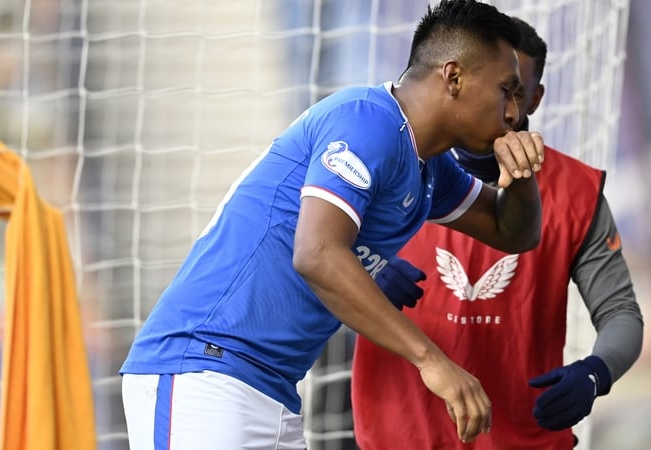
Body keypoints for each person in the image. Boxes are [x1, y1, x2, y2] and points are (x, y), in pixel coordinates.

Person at [119, 1, 547, 448]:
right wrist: (431, 360)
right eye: (506, 90)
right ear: (454, 77)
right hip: (203, 370)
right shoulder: (369, 120)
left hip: (272, 389)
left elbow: (514, 232)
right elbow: (317, 254)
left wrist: (520, 174)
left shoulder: (428, 167)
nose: (516, 113)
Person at [351, 17, 644, 450]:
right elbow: (313, 264)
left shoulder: (578, 194)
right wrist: (363, 268)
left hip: (524, 439)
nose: (504, 109)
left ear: (535, 98)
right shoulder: (385, 159)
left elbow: (621, 312)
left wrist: (594, 372)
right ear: (459, 80)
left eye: (516, 92)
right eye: (495, 89)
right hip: (400, 437)